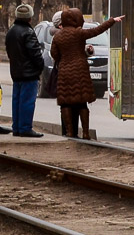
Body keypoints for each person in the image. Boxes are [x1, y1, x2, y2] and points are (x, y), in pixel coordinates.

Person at [51, 8, 124, 139]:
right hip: (80, 71)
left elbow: (54, 54)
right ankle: (85, 133)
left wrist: (64, 58)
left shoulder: (58, 36)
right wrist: (111, 21)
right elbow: (96, 30)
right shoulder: (78, 33)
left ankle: (69, 132)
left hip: (64, 72)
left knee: (66, 103)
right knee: (82, 103)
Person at [4, 2, 45, 137]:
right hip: (29, 74)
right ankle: (25, 128)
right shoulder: (28, 32)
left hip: (16, 72)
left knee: (17, 101)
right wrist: (40, 67)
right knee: (27, 102)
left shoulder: (11, 31)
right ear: (30, 17)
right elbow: (35, 54)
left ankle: (17, 128)